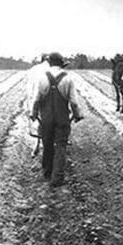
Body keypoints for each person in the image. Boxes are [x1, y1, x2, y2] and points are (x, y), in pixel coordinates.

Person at [30, 52, 83, 187]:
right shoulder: (68, 79)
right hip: (62, 118)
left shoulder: (42, 78)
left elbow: (36, 99)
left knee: (47, 143)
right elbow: (74, 102)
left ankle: (47, 173)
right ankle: (57, 178)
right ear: (61, 64)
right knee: (61, 146)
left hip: (46, 119)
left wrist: (34, 114)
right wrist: (77, 115)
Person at [27, 54, 50, 157]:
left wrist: (31, 102)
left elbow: (29, 87)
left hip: (35, 97)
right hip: (49, 98)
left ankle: (36, 144)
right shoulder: (53, 69)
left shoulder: (33, 69)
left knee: (38, 120)